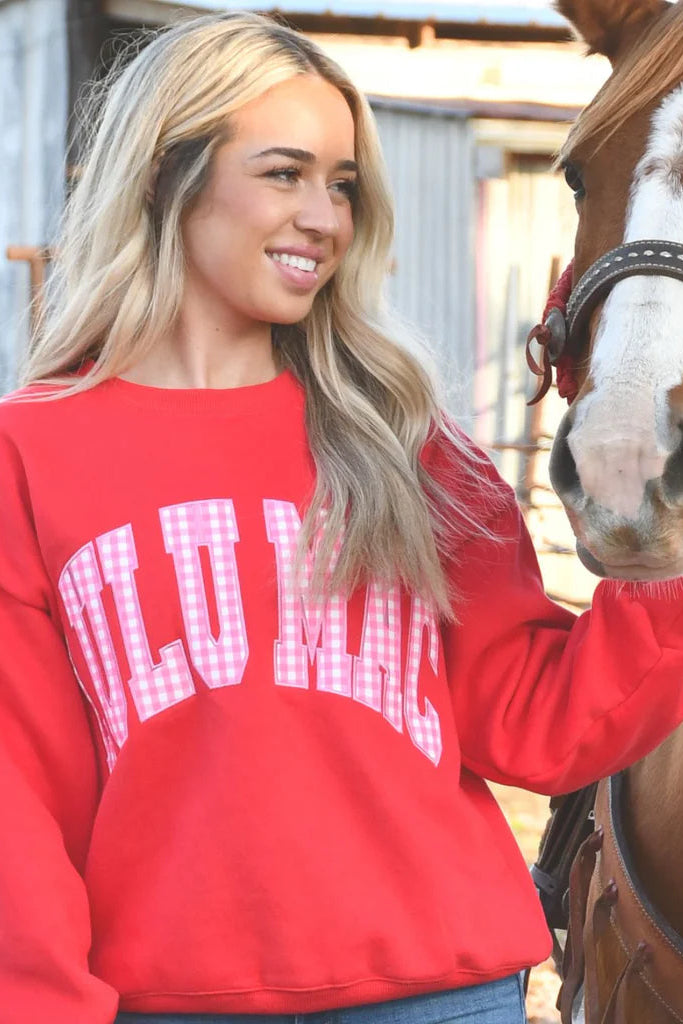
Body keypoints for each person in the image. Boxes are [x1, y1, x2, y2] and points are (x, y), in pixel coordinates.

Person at [2, 12, 683, 1024]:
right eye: (283, 174)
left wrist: (665, 567)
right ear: (162, 175)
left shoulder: (404, 442)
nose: (323, 217)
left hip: (445, 998)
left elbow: (535, 722)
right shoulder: (32, 454)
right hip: (169, 1003)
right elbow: (18, 801)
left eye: (342, 183)